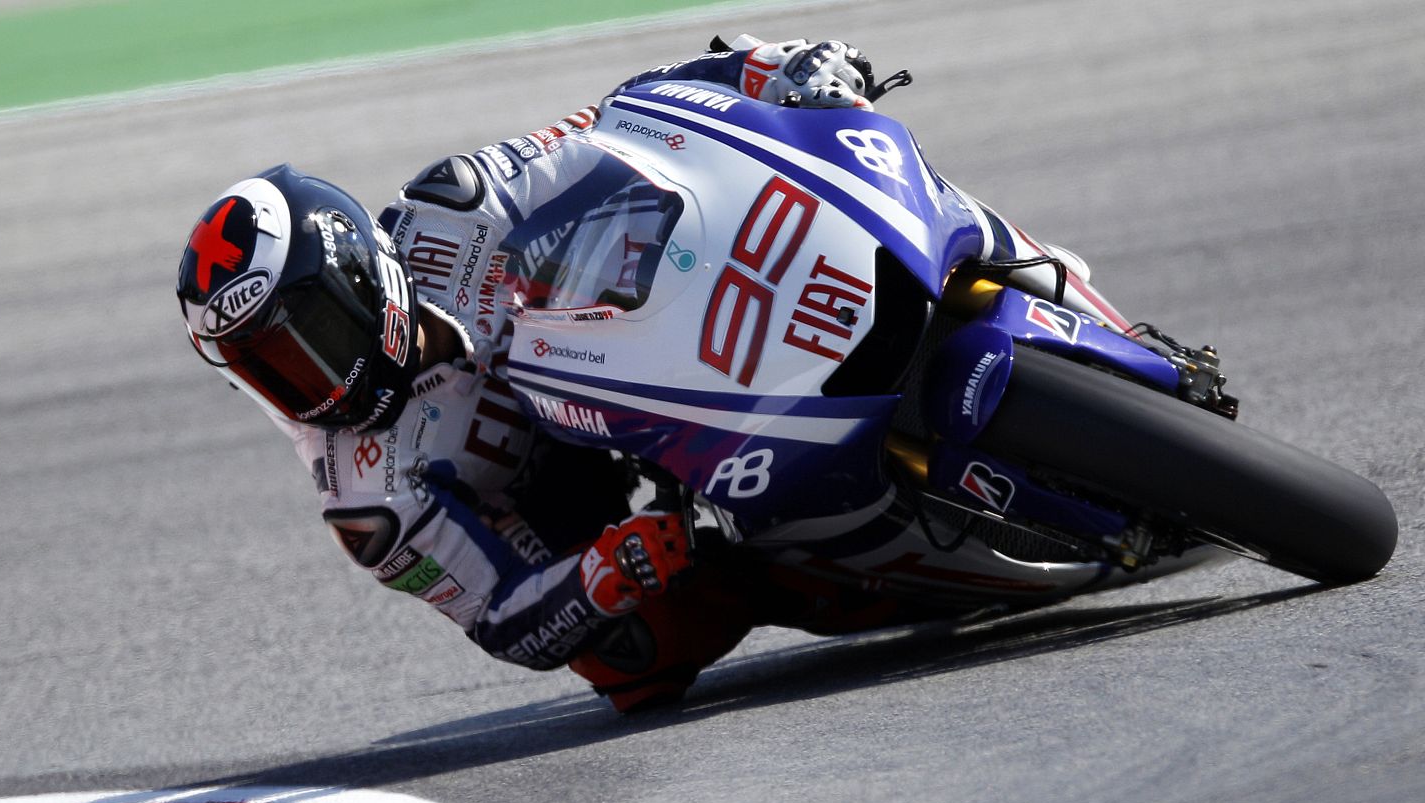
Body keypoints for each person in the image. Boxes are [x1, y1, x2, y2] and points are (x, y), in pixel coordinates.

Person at [175, 34, 1135, 712]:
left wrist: (763, 69)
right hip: (598, 491)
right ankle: (882, 574)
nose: (306, 381)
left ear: (355, 277)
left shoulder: (449, 210)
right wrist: (603, 573)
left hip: (644, 337)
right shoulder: (364, 495)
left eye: (303, 337)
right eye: (264, 367)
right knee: (633, 664)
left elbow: (622, 120)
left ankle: (1017, 269)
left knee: (830, 153)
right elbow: (504, 620)